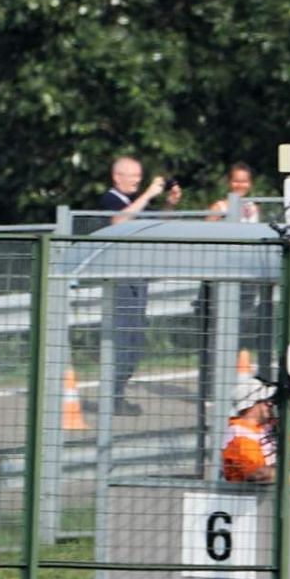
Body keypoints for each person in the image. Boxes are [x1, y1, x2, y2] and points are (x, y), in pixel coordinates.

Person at [99, 156, 171, 415]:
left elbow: (158, 224)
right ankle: (112, 396)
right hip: (121, 276)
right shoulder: (111, 200)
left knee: (136, 338)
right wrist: (148, 194)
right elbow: (119, 222)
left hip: (139, 275)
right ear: (117, 177)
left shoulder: (136, 202)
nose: (138, 181)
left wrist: (168, 203)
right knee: (123, 337)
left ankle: (118, 392)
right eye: (133, 176)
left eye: (140, 177)